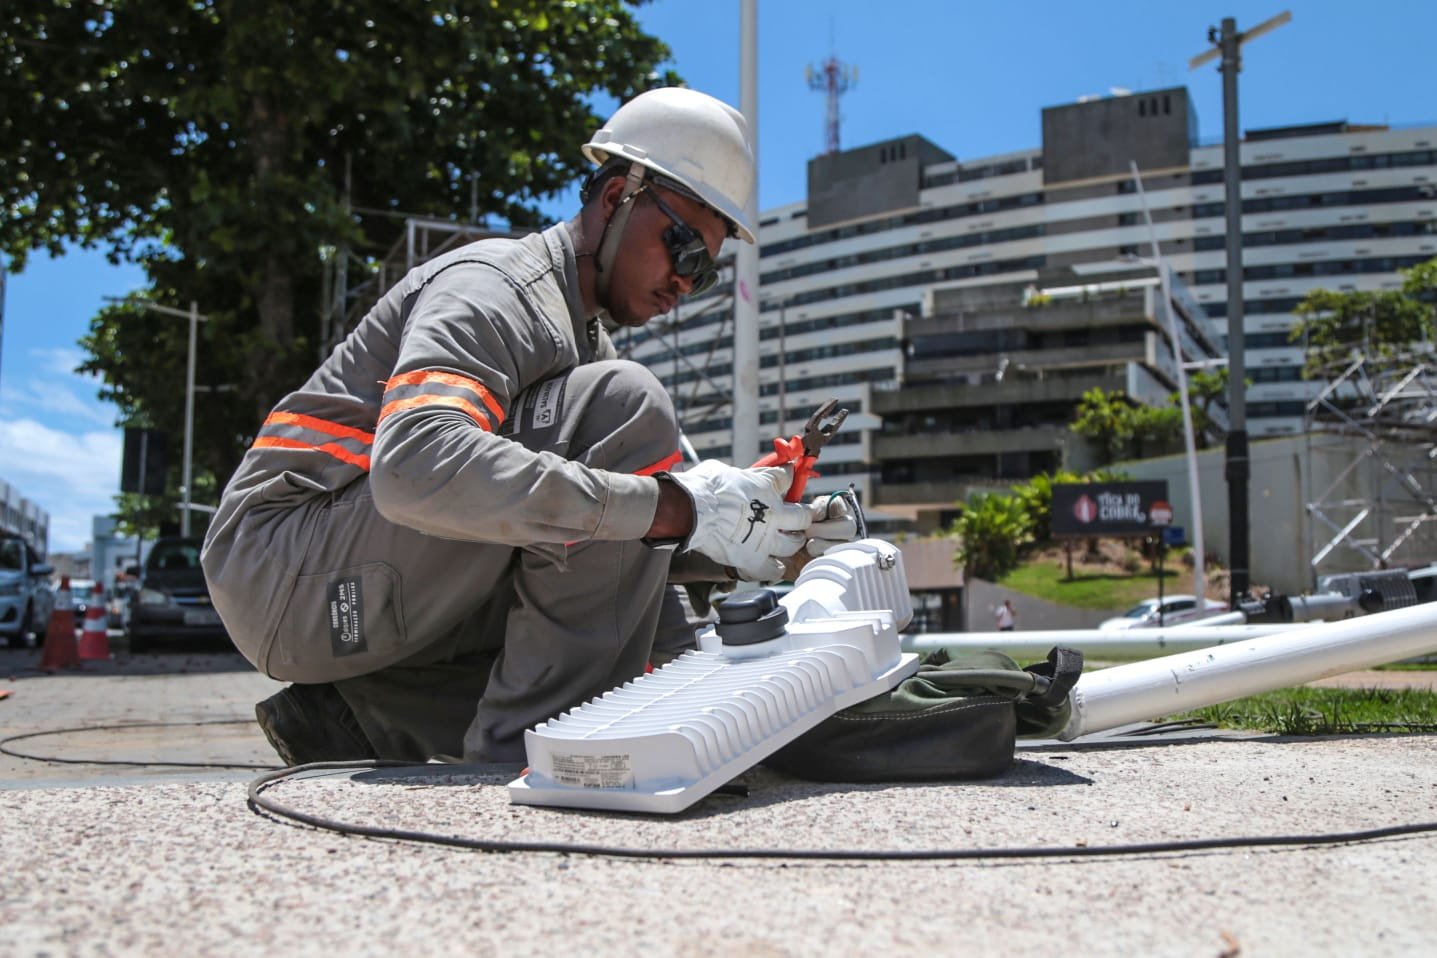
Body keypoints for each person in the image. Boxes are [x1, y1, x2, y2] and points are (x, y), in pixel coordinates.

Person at [201, 87, 858, 766]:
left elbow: (616, 560)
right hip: (285, 573)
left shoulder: (582, 344)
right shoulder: (494, 286)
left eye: (705, 273)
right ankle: (529, 761)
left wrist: (739, 539)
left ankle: (366, 717)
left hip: (357, 591)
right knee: (625, 409)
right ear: (615, 200)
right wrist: (678, 508)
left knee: (620, 576)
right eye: (684, 251)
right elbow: (414, 469)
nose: (684, 284)